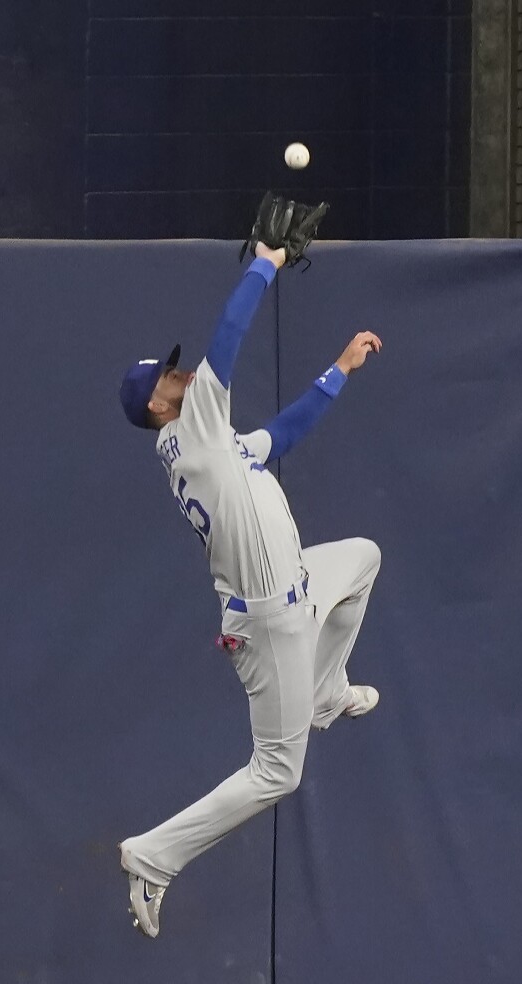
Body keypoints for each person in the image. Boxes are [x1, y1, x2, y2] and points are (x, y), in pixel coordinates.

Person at [117, 241, 382, 937]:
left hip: (294, 592)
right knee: (277, 773)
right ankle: (153, 857)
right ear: (156, 402)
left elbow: (284, 432)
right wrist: (264, 262)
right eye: (168, 374)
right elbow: (227, 341)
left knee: (361, 558)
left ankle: (325, 688)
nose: (180, 374)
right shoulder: (190, 436)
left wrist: (340, 368)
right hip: (267, 625)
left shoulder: (216, 444)